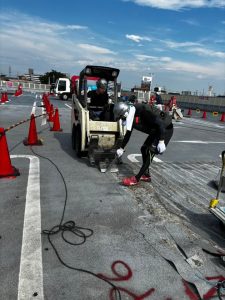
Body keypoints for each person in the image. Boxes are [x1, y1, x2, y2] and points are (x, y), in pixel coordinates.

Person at [113, 102, 173, 186]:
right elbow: (128, 133)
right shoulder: (131, 115)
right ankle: (146, 175)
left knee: (150, 151)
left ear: (125, 113)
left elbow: (160, 124)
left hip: (164, 129)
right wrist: (121, 148)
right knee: (144, 148)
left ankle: (136, 179)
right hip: (156, 131)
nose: (122, 120)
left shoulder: (143, 112)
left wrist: (161, 141)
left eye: (122, 117)